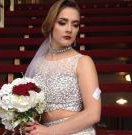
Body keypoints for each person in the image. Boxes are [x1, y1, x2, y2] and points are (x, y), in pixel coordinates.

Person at [24, 0, 101, 134]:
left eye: (75, 25)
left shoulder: (83, 62)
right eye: (62, 22)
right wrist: (27, 122)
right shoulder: (37, 64)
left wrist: (49, 132)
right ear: (51, 24)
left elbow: (93, 114)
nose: (69, 29)